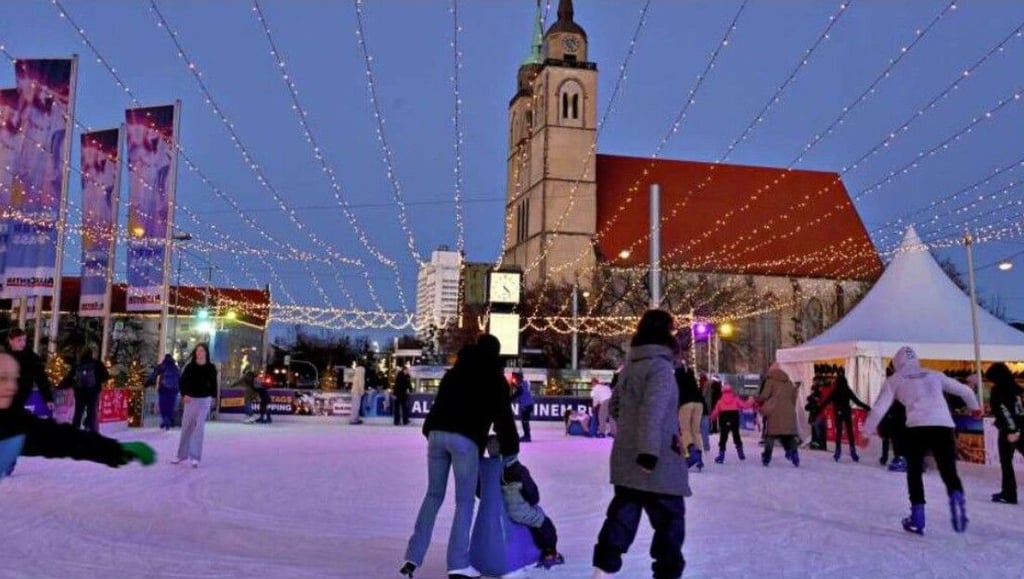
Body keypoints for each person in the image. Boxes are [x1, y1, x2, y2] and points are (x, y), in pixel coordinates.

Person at [400, 334, 520, 579]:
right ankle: (458, 564)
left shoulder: (454, 372)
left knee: (433, 495)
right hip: (465, 439)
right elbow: (504, 419)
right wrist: (511, 450)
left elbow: (440, 405)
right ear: (495, 354)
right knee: (464, 502)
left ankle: (412, 558)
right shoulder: (494, 378)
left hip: (437, 435)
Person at [592, 309, 689, 579]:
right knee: (670, 519)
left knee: (623, 514)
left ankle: (602, 570)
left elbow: (616, 407)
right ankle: (667, 574)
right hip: (656, 458)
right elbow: (653, 410)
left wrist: (630, 434)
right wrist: (648, 451)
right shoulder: (660, 368)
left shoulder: (630, 367)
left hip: (626, 454)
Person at [864, 346, 980, 535]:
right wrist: (974, 408)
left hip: (917, 426)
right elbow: (965, 391)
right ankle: (955, 493)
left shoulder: (895, 379)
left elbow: (879, 408)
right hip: (943, 424)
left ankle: (917, 516)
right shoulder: (935, 374)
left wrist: (866, 432)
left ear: (897, 363)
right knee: (947, 468)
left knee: (915, 471)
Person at [0, 351, 156, 482]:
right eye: (3, 378)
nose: (12, 386)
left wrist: (114, 450)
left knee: (84, 415)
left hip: (84, 396)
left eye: (15, 379)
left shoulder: (13, 422)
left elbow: (62, 439)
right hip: (88, 394)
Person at [485, 436, 565, 569]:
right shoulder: (518, 470)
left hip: (496, 511)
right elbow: (533, 496)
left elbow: (479, 492)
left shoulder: (488, 468)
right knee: (544, 523)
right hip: (516, 512)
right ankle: (549, 553)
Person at [984, 362, 1024, 505]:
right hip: (1021, 427)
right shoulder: (1017, 389)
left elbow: (1004, 411)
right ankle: (1008, 492)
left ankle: (1009, 493)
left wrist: (1012, 431)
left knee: (1006, 462)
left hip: (1009, 430)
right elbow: (1019, 410)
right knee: (1006, 462)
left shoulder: (998, 390)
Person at [173, 344, 217, 468]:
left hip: (204, 400)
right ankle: (181, 455)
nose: (199, 352)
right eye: (197, 350)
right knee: (187, 427)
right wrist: (184, 394)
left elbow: (214, 383)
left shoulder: (211, 367)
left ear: (206, 353)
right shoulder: (190, 367)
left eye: (202, 350)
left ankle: (195, 457)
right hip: (190, 400)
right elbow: (182, 382)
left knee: (199, 428)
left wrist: (213, 397)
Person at [817, 368, 871, 462]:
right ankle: (853, 451)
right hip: (846, 412)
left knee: (838, 432)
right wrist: (867, 407)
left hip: (838, 412)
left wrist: (818, 409)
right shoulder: (847, 390)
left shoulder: (835, 391)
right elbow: (857, 401)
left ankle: (838, 451)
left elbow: (826, 402)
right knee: (850, 432)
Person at [757, 363, 801, 468]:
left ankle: (766, 458)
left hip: (775, 413)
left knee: (770, 436)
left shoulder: (770, 381)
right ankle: (794, 455)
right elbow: (793, 398)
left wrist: (755, 398)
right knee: (789, 436)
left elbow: (764, 396)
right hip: (789, 412)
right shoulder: (789, 383)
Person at [6, 328, 54, 416]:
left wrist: (48, 398)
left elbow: (41, 378)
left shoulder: (31, 358)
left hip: (21, 394)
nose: (22, 343)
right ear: (10, 341)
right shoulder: (5, 357)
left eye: (24, 340)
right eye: (19, 340)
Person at [65, 348, 109, 433]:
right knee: (92, 411)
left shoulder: (77, 365)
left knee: (78, 411)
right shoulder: (97, 364)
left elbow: (69, 378)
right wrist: (97, 381)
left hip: (79, 392)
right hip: (93, 391)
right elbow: (106, 376)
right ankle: (90, 430)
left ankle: (75, 430)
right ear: (91, 354)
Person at [709, 383, 748, 464]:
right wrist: (751, 402)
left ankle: (721, 456)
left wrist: (712, 418)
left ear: (722, 391)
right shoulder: (735, 399)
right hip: (734, 417)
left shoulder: (720, 401)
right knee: (736, 434)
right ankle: (741, 453)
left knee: (723, 437)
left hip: (724, 417)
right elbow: (744, 405)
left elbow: (715, 412)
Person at [675, 363, 705, 468]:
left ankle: (692, 454)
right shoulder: (690, 374)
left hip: (685, 402)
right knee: (696, 431)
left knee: (685, 430)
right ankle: (699, 457)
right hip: (698, 402)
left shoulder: (677, 374)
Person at [145, 354, 181, 430]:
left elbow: (154, 375)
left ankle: (165, 419)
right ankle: (167, 419)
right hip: (173, 390)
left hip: (163, 389)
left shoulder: (162, 366)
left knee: (162, 405)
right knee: (170, 406)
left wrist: (147, 383)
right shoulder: (176, 368)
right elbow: (180, 378)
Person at [511, 371, 534, 442]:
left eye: (516, 378)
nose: (515, 380)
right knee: (525, 421)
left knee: (524, 421)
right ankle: (527, 435)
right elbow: (520, 389)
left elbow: (517, 393)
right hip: (529, 405)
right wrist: (515, 385)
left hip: (526, 405)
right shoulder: (525, 383)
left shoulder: (521, 386)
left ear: (519, 378)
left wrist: (509, 399)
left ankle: (527, 436)